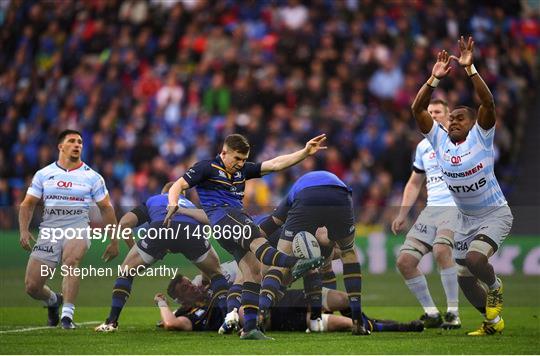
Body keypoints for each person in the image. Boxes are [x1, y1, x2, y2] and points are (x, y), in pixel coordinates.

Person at [164, 133, 327, 340]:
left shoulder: (243, 170)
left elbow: (275, 164)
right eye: (237, 159)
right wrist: (172, 202)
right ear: (224, 153)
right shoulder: (206, 167)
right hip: (226, 217)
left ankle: (250, 328)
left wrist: (304, 153)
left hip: (227, 228)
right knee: (259, 242)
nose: (241, 164)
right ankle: (296, 262)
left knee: (253, 273)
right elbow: (178, 185)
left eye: (244, 159)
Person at [411, 36, 512, 336]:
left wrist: (470, 69)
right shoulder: (440, 141)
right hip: (465, 221)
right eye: (450, 118)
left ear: (473, 122)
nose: (453, 121)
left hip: (495, 214)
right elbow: (417, 110)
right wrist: (432, 79)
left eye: (460, 118)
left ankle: (495, 286)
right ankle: (493, 323)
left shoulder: (481, 138)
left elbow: (488, 102)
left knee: (475, 259)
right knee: (464, 277)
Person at [95, 182, 229, 332]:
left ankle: (111, 322)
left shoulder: (154, 200)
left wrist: (136, 249)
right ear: (181, 194)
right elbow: (206, 227)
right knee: (217, 274)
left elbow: (125, 223)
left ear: (163, 192)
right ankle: (227, 320)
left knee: (126, 272)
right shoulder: (191, 205)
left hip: (160, 228)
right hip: (191, 231)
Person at [19, 129, 119, 329]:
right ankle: (54, 300)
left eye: (80, 142)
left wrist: (114, 240)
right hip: (49, 230)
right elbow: (28, 203)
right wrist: (23, 229)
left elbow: (106, 209)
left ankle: (67, 317)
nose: (77, 145)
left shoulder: (93, 177)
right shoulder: (44, 174)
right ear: (60, 146)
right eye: (72, 141)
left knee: (71, 262)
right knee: (32, 287)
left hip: (78, 226)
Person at [257, 171, 370, 335]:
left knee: (280, 263)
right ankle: (357, 319)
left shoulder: (290, 197)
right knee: (348, 253)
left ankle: (261, 313)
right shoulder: (326, 241)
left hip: (307, 196)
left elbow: (271, 224)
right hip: (341, 195)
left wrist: (251, 240)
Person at [391, 99, 461, 329]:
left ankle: (453, 313)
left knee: (442, 250)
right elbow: (414, 183)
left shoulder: (461, 140)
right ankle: (431, 313)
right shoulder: (423, 147)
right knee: (405, 261)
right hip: (431, 210)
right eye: (429, 112)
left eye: (438, 112)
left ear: (449, 115)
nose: (432, 116)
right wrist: (402, 214)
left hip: (455, 206)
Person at [153, 275, 424, 334]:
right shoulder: (189, 315)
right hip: (278, 319)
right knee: (341, 323)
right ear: (181, 299)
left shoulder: (215, 287)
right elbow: (170, 323)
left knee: (342, 299)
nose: (192, 287)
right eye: (186, 288)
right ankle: (400, 327)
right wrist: (161, 302)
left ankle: (367, 323)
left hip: (282, 299)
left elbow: (237, 275)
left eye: (190, 282)